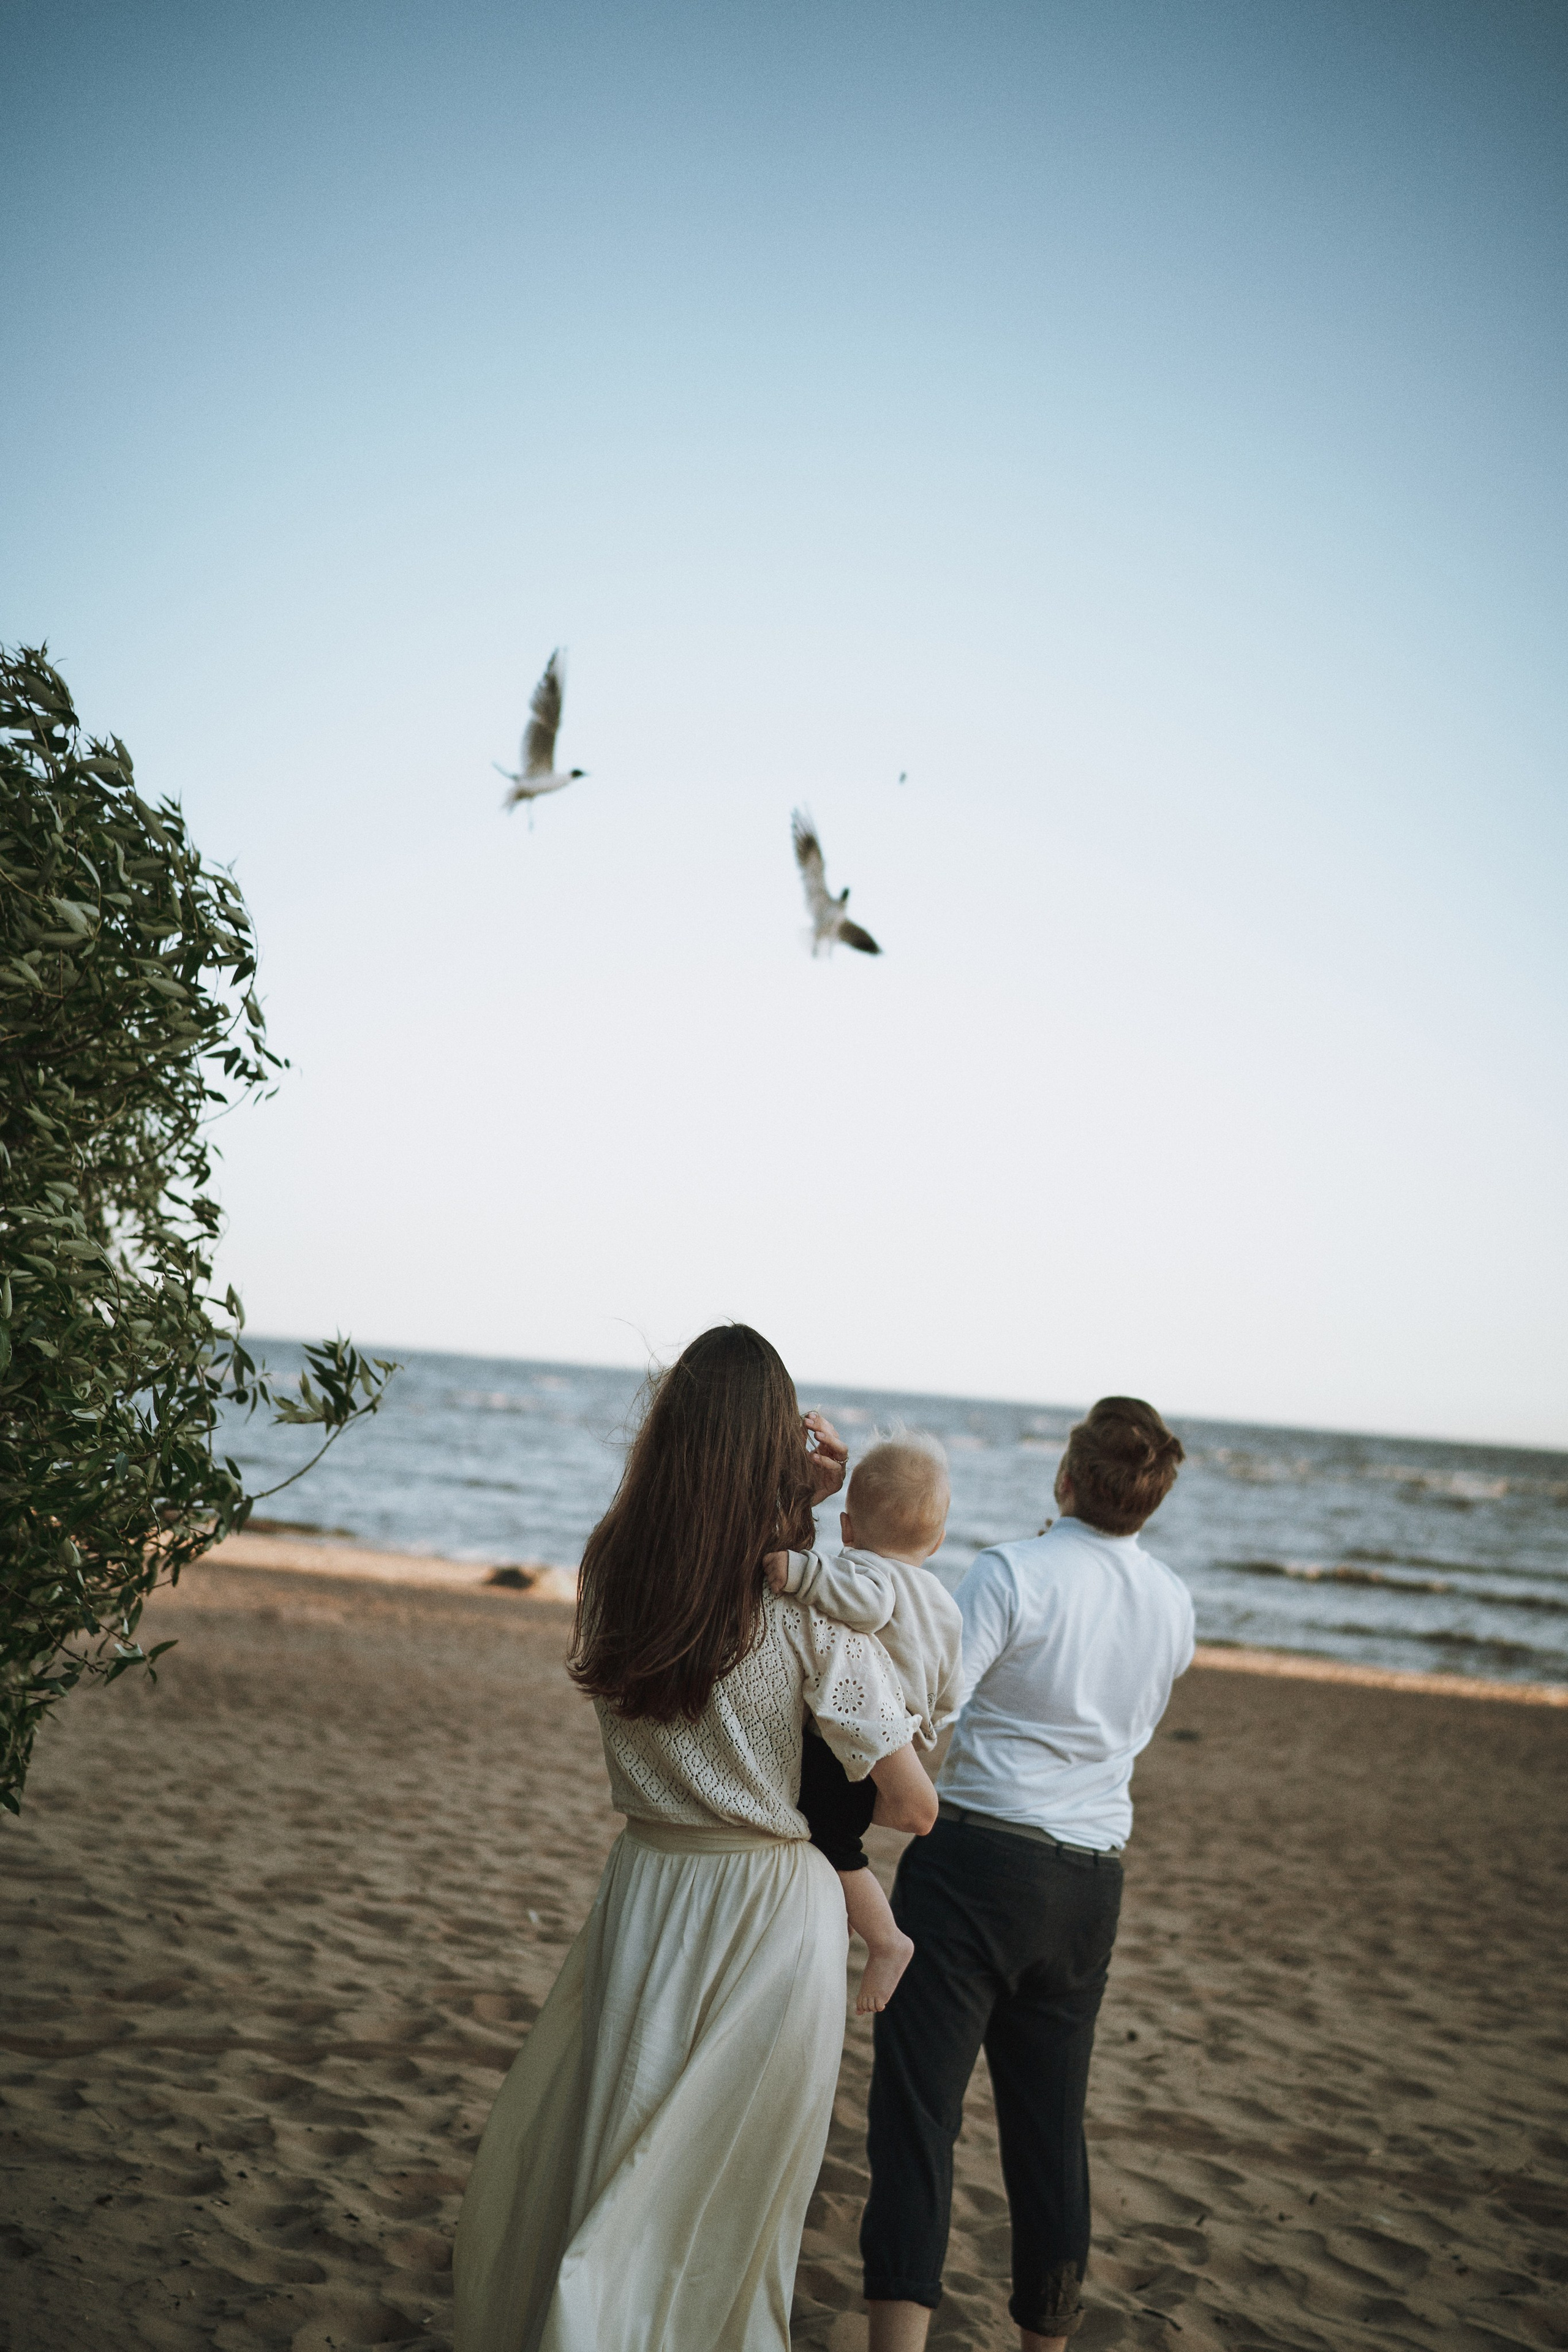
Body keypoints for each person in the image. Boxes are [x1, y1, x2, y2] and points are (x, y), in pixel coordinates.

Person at [451, 1324, 938, 2352]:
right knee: (723, 2209)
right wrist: (808, 1517)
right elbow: (911, 1804)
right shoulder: (807, 1615)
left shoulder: (615, 1570)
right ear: (777, 1451)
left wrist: (790, 1510)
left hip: (647, 1892)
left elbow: (709, 1568)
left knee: (622, 2161)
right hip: (766, 1913)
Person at [859, 1396, 1195, 2352]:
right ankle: (1045, 2344)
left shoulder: (1012, 1571)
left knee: (919, 2120)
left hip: (974, 1866)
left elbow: (934, 1706)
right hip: (1090, 1884)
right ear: (1149, 1501)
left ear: (1066, 1477)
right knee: (1050, 2135)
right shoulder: (1174, 1602)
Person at [767, 1430, 963, 2012]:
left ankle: (887, 1941)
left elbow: (867, 1605)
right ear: (938, 1539)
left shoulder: (866, 1572)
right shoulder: (943, 1601)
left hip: (853, 1744)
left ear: (847, 1528)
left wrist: (800, 1572)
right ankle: (854, 1924)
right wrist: (927, 1726)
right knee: (838, 1845)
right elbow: (953, 1684)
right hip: (899, 1739)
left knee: (832, 1843)